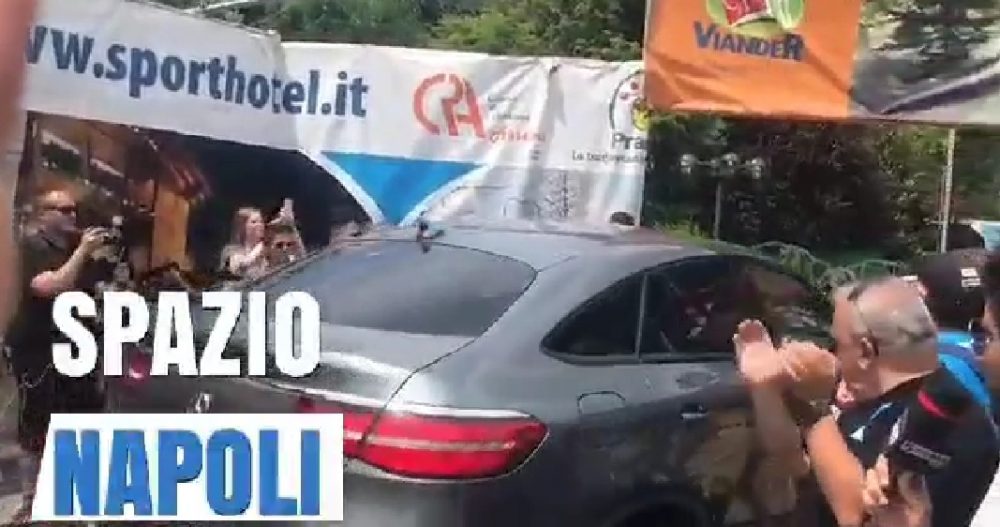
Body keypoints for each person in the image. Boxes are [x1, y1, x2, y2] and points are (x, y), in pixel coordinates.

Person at [736, 276, 998, 526]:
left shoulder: (941, 416)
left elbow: (859, 514)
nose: (834, 354)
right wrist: (765, 387)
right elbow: (800, 464)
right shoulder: (876, 404)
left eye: (838, 344)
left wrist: (816, 405)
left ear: (865, 351)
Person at [4, 187, 109, 522]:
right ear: (43, 214)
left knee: (80, 419)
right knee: (37, 425)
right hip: (38, 350)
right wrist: (82, 252)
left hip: (74, 350)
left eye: (73, 210)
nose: (71, 216)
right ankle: (31, 502)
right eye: (62, 210)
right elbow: (47, 286)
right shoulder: (32, 245)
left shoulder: (75, 250)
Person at [220, 206, 267, 280]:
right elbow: (241, 265)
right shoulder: (231, 250)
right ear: (242, 226)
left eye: (261, 221)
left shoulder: (269, 247)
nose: (260, 225)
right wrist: (259, 248)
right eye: (254, 222)